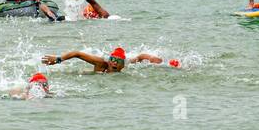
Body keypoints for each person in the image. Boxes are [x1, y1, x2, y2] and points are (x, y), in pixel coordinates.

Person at [40, 47, 169, 73]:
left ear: (122, 64)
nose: (113, 63)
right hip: (89, 75)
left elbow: (140, 57)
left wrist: (152, 58)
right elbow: (77, 53)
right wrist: (58, 59)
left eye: (117, 61)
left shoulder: (126, 65)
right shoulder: (101, 63)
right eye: (112, 59)